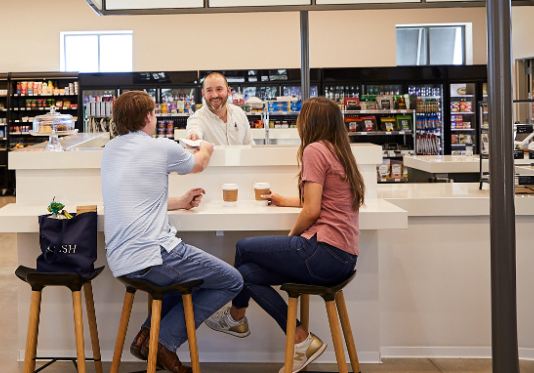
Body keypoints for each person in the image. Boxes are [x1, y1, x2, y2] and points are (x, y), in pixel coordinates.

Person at [205, 96, 365, 373]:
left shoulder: (314, 150)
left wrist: (293, 239)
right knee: (246, 274)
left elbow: (313, 211)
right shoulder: (339, 150)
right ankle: (302, 339)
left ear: (311, 122)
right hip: (343, 258)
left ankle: (235, 316)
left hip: (323, 253)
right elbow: (321, 201)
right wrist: (284, 199)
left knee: (243, 248)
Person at [102, 90, 244, 373]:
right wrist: (206, 145)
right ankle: (164, 342)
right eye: (153, 113)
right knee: (232, 280)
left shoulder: (111, 149)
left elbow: (138, 198)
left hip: (120, 261)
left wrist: (179, 203)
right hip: (152, 256)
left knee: (180, 280)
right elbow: (200, 163)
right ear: (147, 117)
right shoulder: (159, 147)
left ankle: (146, 337)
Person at [186, 72, 253, 146]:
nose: (214, 95)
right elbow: (194, 129)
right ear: (203, 94)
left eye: (219, 89)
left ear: (228, 91)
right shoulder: (197, 118)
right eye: (209, 90)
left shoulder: (239, 113)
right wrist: (194, 137)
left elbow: (249, 144)